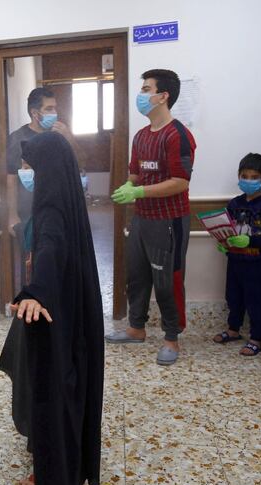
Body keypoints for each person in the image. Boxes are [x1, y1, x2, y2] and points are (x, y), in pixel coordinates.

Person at [0, 131, 104, 485]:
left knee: (51, 391)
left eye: (30, 166)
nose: (25, 173)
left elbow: (51, 249)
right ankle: (42, 448)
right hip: (60, 307)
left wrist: (36, 291)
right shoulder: (65, 200)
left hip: (50, 311)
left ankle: (52, 472)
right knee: (24, 368)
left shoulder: (52, 211)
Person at [105, 69, 197, 366]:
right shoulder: (141, 136)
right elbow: (135, 173)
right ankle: (136, 328)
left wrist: (140, 192)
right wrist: (129, 186)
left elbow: (181, 182)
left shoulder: (178, 135)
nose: (141, 95)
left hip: (169, 221)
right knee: (137, 276)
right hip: (141, 220)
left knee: (167, 280)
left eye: (146, 89)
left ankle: (171, 338)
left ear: (163, 96)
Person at [6, 88, 88, 293]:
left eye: (55, 108)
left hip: (59, 209)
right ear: (35, 113)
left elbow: (81, 164)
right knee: (31, 263)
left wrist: (69, 137)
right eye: (49, 108)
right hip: (28, 210)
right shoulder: (18, 138)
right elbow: (11, 177)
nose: (54, 113)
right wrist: (12, 215)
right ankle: (32, 301)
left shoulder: (59, 136)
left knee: (59, 261)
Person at [212, 153, 261, 356]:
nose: (248, 180)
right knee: (233, 296)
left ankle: (256, 338)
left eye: (253, 176)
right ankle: (233, 330)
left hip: (256, 263)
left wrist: (252, 241)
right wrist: (224, 243)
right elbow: (227, 228)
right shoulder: (234, 203)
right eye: (244, 176)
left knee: (255, 299)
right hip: (235, 261)